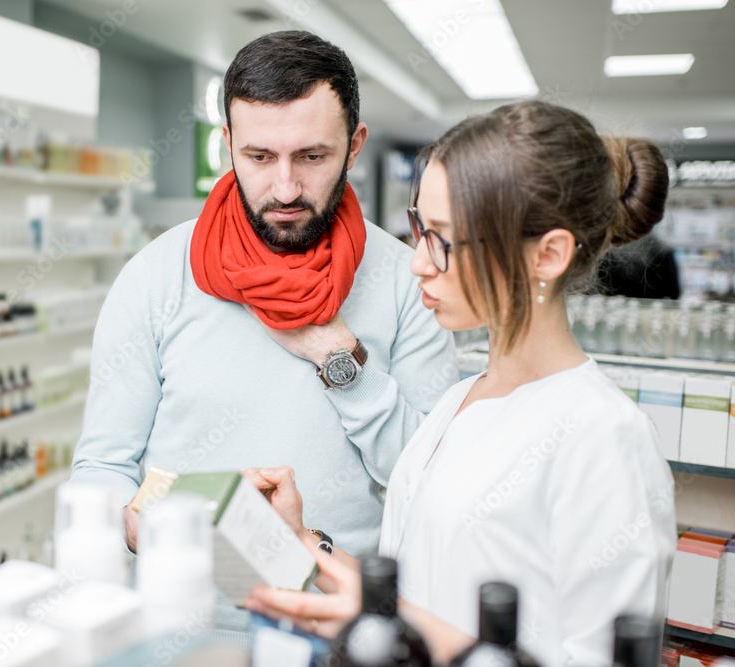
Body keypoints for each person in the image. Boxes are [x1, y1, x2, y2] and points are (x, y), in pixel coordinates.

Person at [243, 100, 676, 667]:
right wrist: (301, 544)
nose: (417, 261)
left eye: (443, 240)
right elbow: (419, 596)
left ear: (547, 255)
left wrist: (397, 629)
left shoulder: (606, 438)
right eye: (419, 227)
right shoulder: (460, 399)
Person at [70, 30, 457, 626]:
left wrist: (340, 358)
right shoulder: (154, 277)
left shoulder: (411, 282)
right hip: (183, 625)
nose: (284, 189)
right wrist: (130, 522)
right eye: (258, 157)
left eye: (311, 156)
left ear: (354, 146)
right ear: (227, 144)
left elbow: (429, 482)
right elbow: (102, 465)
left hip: (341, 627)